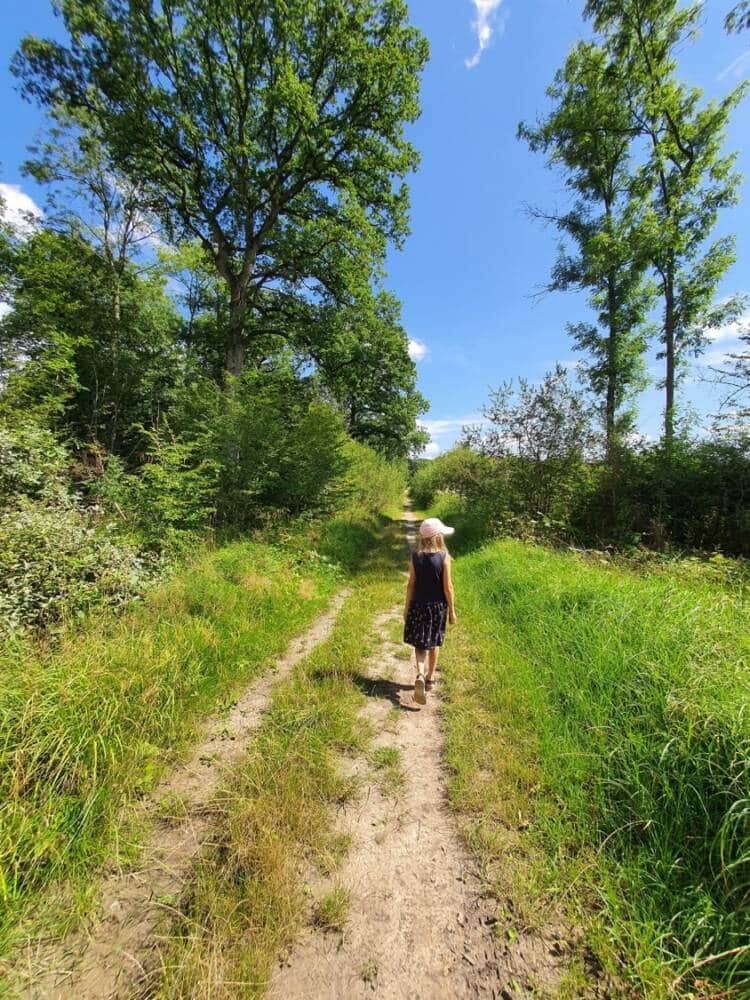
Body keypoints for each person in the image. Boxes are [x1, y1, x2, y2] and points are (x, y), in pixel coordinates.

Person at [403, 516, 457, 705]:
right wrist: (452, 611)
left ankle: (419, 673)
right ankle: (430, 678)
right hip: (437, 608)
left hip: (418, 605)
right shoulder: (444, 558)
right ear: (438, 537)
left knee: (420, 643)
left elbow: (411, 585)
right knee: (434, 643)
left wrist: (406, 608)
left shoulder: (415, 557)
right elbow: (447, 588)